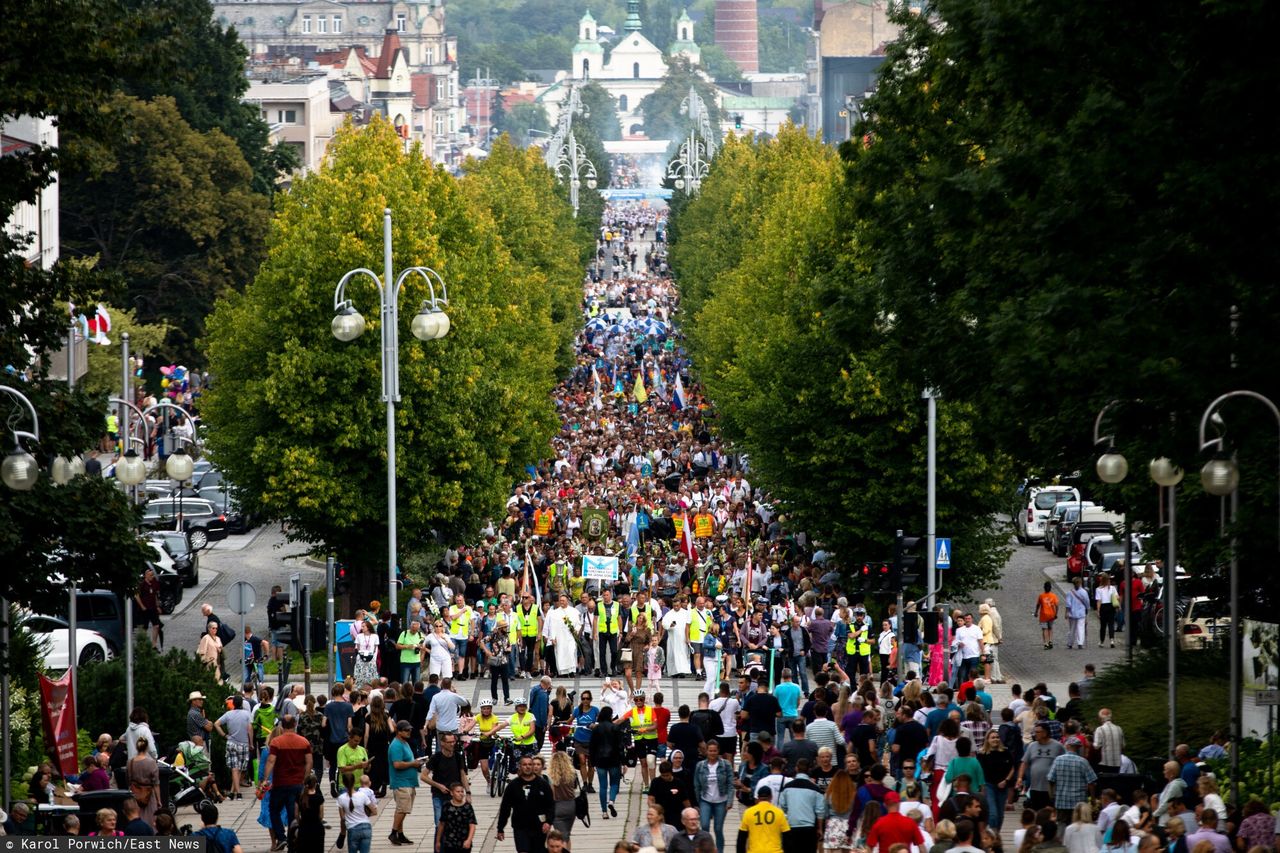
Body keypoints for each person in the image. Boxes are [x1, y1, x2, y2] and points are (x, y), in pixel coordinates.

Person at [258, 714, 313, 850]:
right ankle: (291, 839)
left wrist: (265, 779)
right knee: (292, 813)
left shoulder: (276, 742)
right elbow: (309, 762)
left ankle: (281, 837)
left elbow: (271, 761)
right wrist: (305, 779)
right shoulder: (304, 742)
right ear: (295, 725)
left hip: (280, 783)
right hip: (297, 783)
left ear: (282, 725)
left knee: (273, 810)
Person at [496, 755, 555, 853]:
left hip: (538, 826)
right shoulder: (513, 786)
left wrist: (548, 821)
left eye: (530, 764)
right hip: (520, 827)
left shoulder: (543, 784)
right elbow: (505, 808)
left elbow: (550, 805)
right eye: (524, 764)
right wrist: (500, 828)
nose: (527, 767)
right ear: (520, 766)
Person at [1047, 740, 1098, 829]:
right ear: (1078, 748)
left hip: (1061, 801)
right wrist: (1093, 799)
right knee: (1078, 826)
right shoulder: (1083, 762)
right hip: (1079, 802)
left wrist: (1051, 797)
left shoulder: (1058, 760)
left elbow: (1050, 780)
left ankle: (1063, 842)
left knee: (1062, 825)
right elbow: (1091, 782)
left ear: (1067, 746)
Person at [778, 758, 825, 853]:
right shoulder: (815, 789)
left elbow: (782, 806)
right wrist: (820, 828)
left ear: (796, 769)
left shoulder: (787, 787)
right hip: (809, 828)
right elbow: (820, 811)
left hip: (791, 827)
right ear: (809, 770)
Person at [1017, 723, 1065, 811]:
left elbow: (1064, 761)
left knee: (1049, 812)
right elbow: (1024, 762)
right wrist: (1020, 777)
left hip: (1051, 788)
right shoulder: (1032, 746)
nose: (1035, 734)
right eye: (1035, 732)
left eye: (1038, 732)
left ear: (1045, 733)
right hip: (1035, 787)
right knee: (1036, 811)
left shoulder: (1058, 746)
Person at [387, 720, 420, 846]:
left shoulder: (405, 743)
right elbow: (397, 764)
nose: (409, 732)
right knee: (402, 809)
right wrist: (413, 763)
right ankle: (393, 832)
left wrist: (416, 761)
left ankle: (400, 834)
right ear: (398, 731)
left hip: (409, 781)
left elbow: (407, 760)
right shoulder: (396, 745)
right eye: (406, 730)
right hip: (401, 781)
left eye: (410, 729)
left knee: (403, 809)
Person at [215, 695, 254, 799]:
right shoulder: (246, 714)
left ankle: (232, 792)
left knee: (234, 768)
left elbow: (216, 724)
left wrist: (224, 735)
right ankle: (239, 793)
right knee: (240, 769)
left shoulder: (228, 714)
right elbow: (250, 729)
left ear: (233, 704)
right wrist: (251, 743)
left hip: (231, 742)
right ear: (241, 703)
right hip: (244, 743)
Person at [590, 704, 625, 819]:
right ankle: (611, 801)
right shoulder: (615, 728)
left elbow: (592, 746)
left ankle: (604, 812)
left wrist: (592, 761)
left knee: (603, 786)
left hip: (600, 760)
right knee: (614, 783)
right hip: (614, 759)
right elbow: (620, 746)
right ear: (610, 715)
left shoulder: (596, 729)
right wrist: (623, 762)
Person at [977, 729, 1015, 832]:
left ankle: (996, 835)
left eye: (997, 737)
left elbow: (1012, 768)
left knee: (1000, 814)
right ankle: (992, 835)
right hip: (989, 785)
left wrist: (1006, 780)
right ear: (988, 740)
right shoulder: (982, 754)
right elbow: (979, 771)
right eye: (993, 737)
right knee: (993, 813)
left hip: (1002, 786)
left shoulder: (1005, 752)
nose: (995, 739)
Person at [737, 785, 790, 853]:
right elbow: (787, 837)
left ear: (758, 798)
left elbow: (741, 839)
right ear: (771, 797)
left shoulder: (748, 812)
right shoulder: (779, 813)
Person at [337, 771, 378, 853]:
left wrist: (343, 833)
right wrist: (364, 815)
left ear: (343, 783)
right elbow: (374, 811)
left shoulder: (341, 798)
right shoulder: (362, 795)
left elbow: (342, 818)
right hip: (366, 827)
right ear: (355, 782)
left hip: (352, 829)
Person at [818, 770, 857, 853]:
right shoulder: (854, 794)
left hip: (833, 825)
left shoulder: (828, 794)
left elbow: (825, 813)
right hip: (849, 826)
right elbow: (855, 811)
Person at [127, 735, 160, 829]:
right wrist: (159, 800)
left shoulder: (130, 762)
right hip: (149, 794)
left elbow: (128, 779)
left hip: (135, 794)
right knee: (151, 817)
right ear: (147, 747)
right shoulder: (151, 762)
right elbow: (156, 783)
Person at [548, 750, 581, 845]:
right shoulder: (572, 774)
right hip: (571, 806)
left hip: (558, 806)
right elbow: (575, 787)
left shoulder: (551, 777)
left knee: (562, 838)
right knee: (567, 835)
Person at [295, 772, 325, 853]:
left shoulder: (300, 797)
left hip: (304, 828)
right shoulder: (319, 798)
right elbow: (321, 816)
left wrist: (300, 822)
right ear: (315, 784)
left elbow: (296, 814)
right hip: (317, 828)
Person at [1065, 578, 1090, 650]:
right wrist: (1087, 609)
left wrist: (1066, 612)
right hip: (1081, 613)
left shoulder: (1070, 592)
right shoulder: (1084, 592)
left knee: (1072, 629)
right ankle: (1080, 643)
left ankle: (1070, 643)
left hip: (1072, 613)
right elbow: (1087, 602)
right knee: (1080, 628)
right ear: (1080, 583)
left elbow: (1068, 604)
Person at [1036, 582, 1059, 650]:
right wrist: (1056, 614)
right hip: (1051, 615)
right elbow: (1057, 606)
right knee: (1050, 628)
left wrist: (1036, 612)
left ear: (1044, 588)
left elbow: (1038, 605)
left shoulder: (1041, 596)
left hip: (1043, 615)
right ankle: (1050, 641)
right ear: (1050, 588)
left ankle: (1045, 643)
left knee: (1044, 629)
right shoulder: (1053, 596)